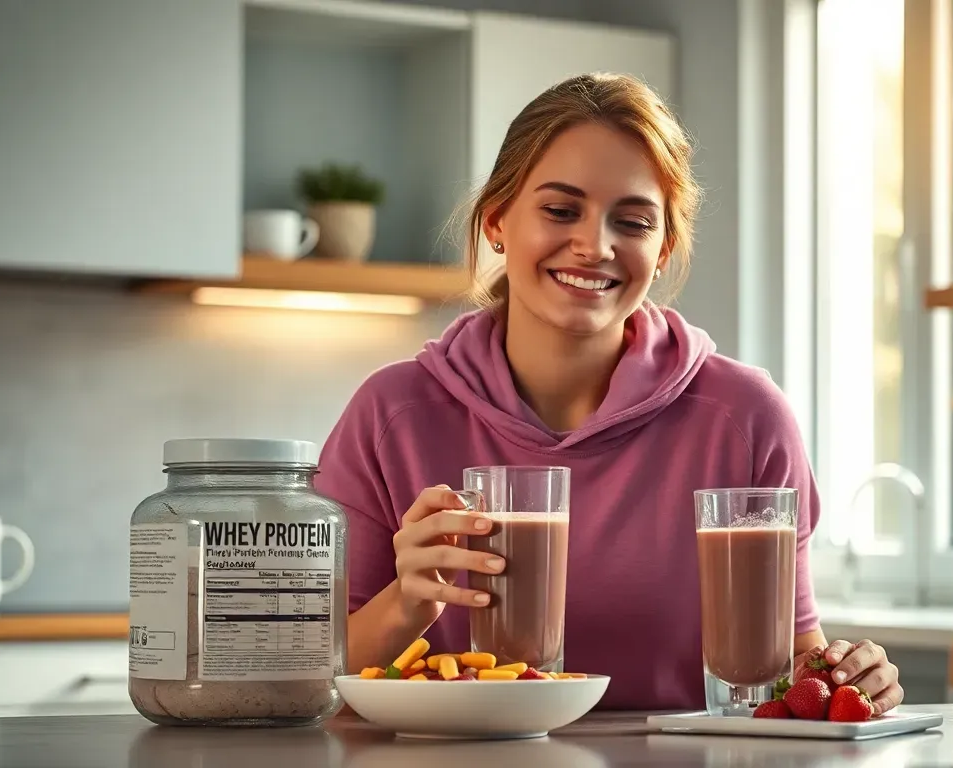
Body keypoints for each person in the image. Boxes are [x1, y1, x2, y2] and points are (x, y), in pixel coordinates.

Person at [315, 72, 903, 713]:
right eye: (560, 210)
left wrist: (850, 677)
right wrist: (407, 602)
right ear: (497, 222)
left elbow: (784, 667)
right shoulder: (389, 415)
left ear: (664, 246)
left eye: (633, 221)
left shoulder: (746, 418)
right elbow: (310, 681)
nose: (594, 247)